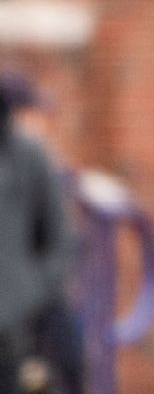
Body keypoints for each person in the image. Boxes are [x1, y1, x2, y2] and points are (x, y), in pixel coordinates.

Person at [0, 73, 74, 394]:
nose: (44, 122)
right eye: (34, 113)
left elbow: (61, 242)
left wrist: (28, 292)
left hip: (24, 328)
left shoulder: (32, 159)